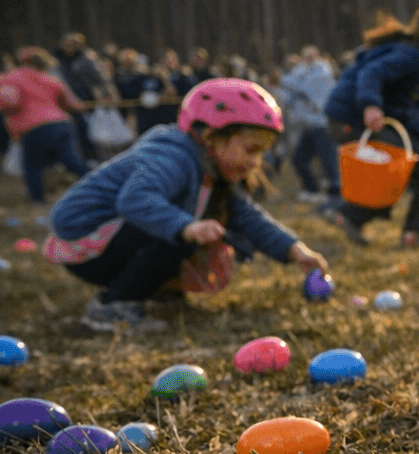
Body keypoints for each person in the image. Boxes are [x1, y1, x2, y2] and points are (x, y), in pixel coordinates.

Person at [44, 79, 328, 334]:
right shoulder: (171, 157)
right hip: (86, 241)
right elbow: (135, 200)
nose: (256, 162)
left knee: (194, 228)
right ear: (209, 136)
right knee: (184, 231)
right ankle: (113, 306)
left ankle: (154, 289)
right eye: (251, 150)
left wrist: (295, 250)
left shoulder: (211, 169)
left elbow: (250, 218)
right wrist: (187, 226)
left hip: (114, 238)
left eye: (262, 152)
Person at [324, 4, 419, 248]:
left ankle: (350, 216)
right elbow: (372, 73)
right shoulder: (412, 55)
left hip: (358, 118)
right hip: (352, 119)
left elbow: (408, 101)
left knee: (414, 173)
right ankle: (406, 233)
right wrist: (370, 105)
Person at [0, 47, 89, 203]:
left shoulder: (10, 78)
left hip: (33, 127)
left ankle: (38, 199)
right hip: (62, 123)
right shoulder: (50, 78)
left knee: (33, 165)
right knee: (72, 161)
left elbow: (8, 103)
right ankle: (95, 185)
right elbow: (72, 104)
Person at [278, 45, 340, 203]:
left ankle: (335, 193)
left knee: (328, 160)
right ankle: (312, 188)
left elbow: (306, 87)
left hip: (322, 124)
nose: (308, 58)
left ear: (317, 55)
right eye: (305, 55)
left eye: (311, 54)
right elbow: (290, 91)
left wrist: (283, 80)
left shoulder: (323, 71)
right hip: (308, 125)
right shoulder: (303, 71)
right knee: (299, 159)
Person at [55, 33, 112, 165]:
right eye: (66, 44)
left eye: (72, 44)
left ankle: (93, 158)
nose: (68, 47)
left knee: (88, 131)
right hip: (65, 102)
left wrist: (107, 93)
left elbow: (100, 77)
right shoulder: (58, 59)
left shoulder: (86, 58)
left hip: (86, 100)